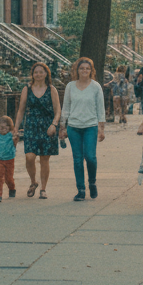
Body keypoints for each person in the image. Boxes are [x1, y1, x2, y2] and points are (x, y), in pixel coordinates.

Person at [60, 57, 107, 201]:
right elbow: (66, 106)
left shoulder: (95, 86)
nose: (84, 71)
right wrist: (62, 126)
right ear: (77, 70)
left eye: (87, 68)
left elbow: (100, 108)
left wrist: (101, 128)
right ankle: (81, 189)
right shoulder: (70, 86)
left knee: (90, 157)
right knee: (78, 159)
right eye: (82, 68)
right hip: (74, 127)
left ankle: (92, 182)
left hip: (90, 126)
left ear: (91, 71)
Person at [13, 61, 61, 199]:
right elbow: (21, 110)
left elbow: (58, 110)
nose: (38, 74)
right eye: (36, 72)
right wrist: (16, 127)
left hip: (47, 127)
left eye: (41, 72)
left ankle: (43, 189)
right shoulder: (26, 89)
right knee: (30, 157)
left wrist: (54, 124)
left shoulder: (51, 89)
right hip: (31, 126)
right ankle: (33, 182)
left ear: (46, 73)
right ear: (32, 75)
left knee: (44, 159)